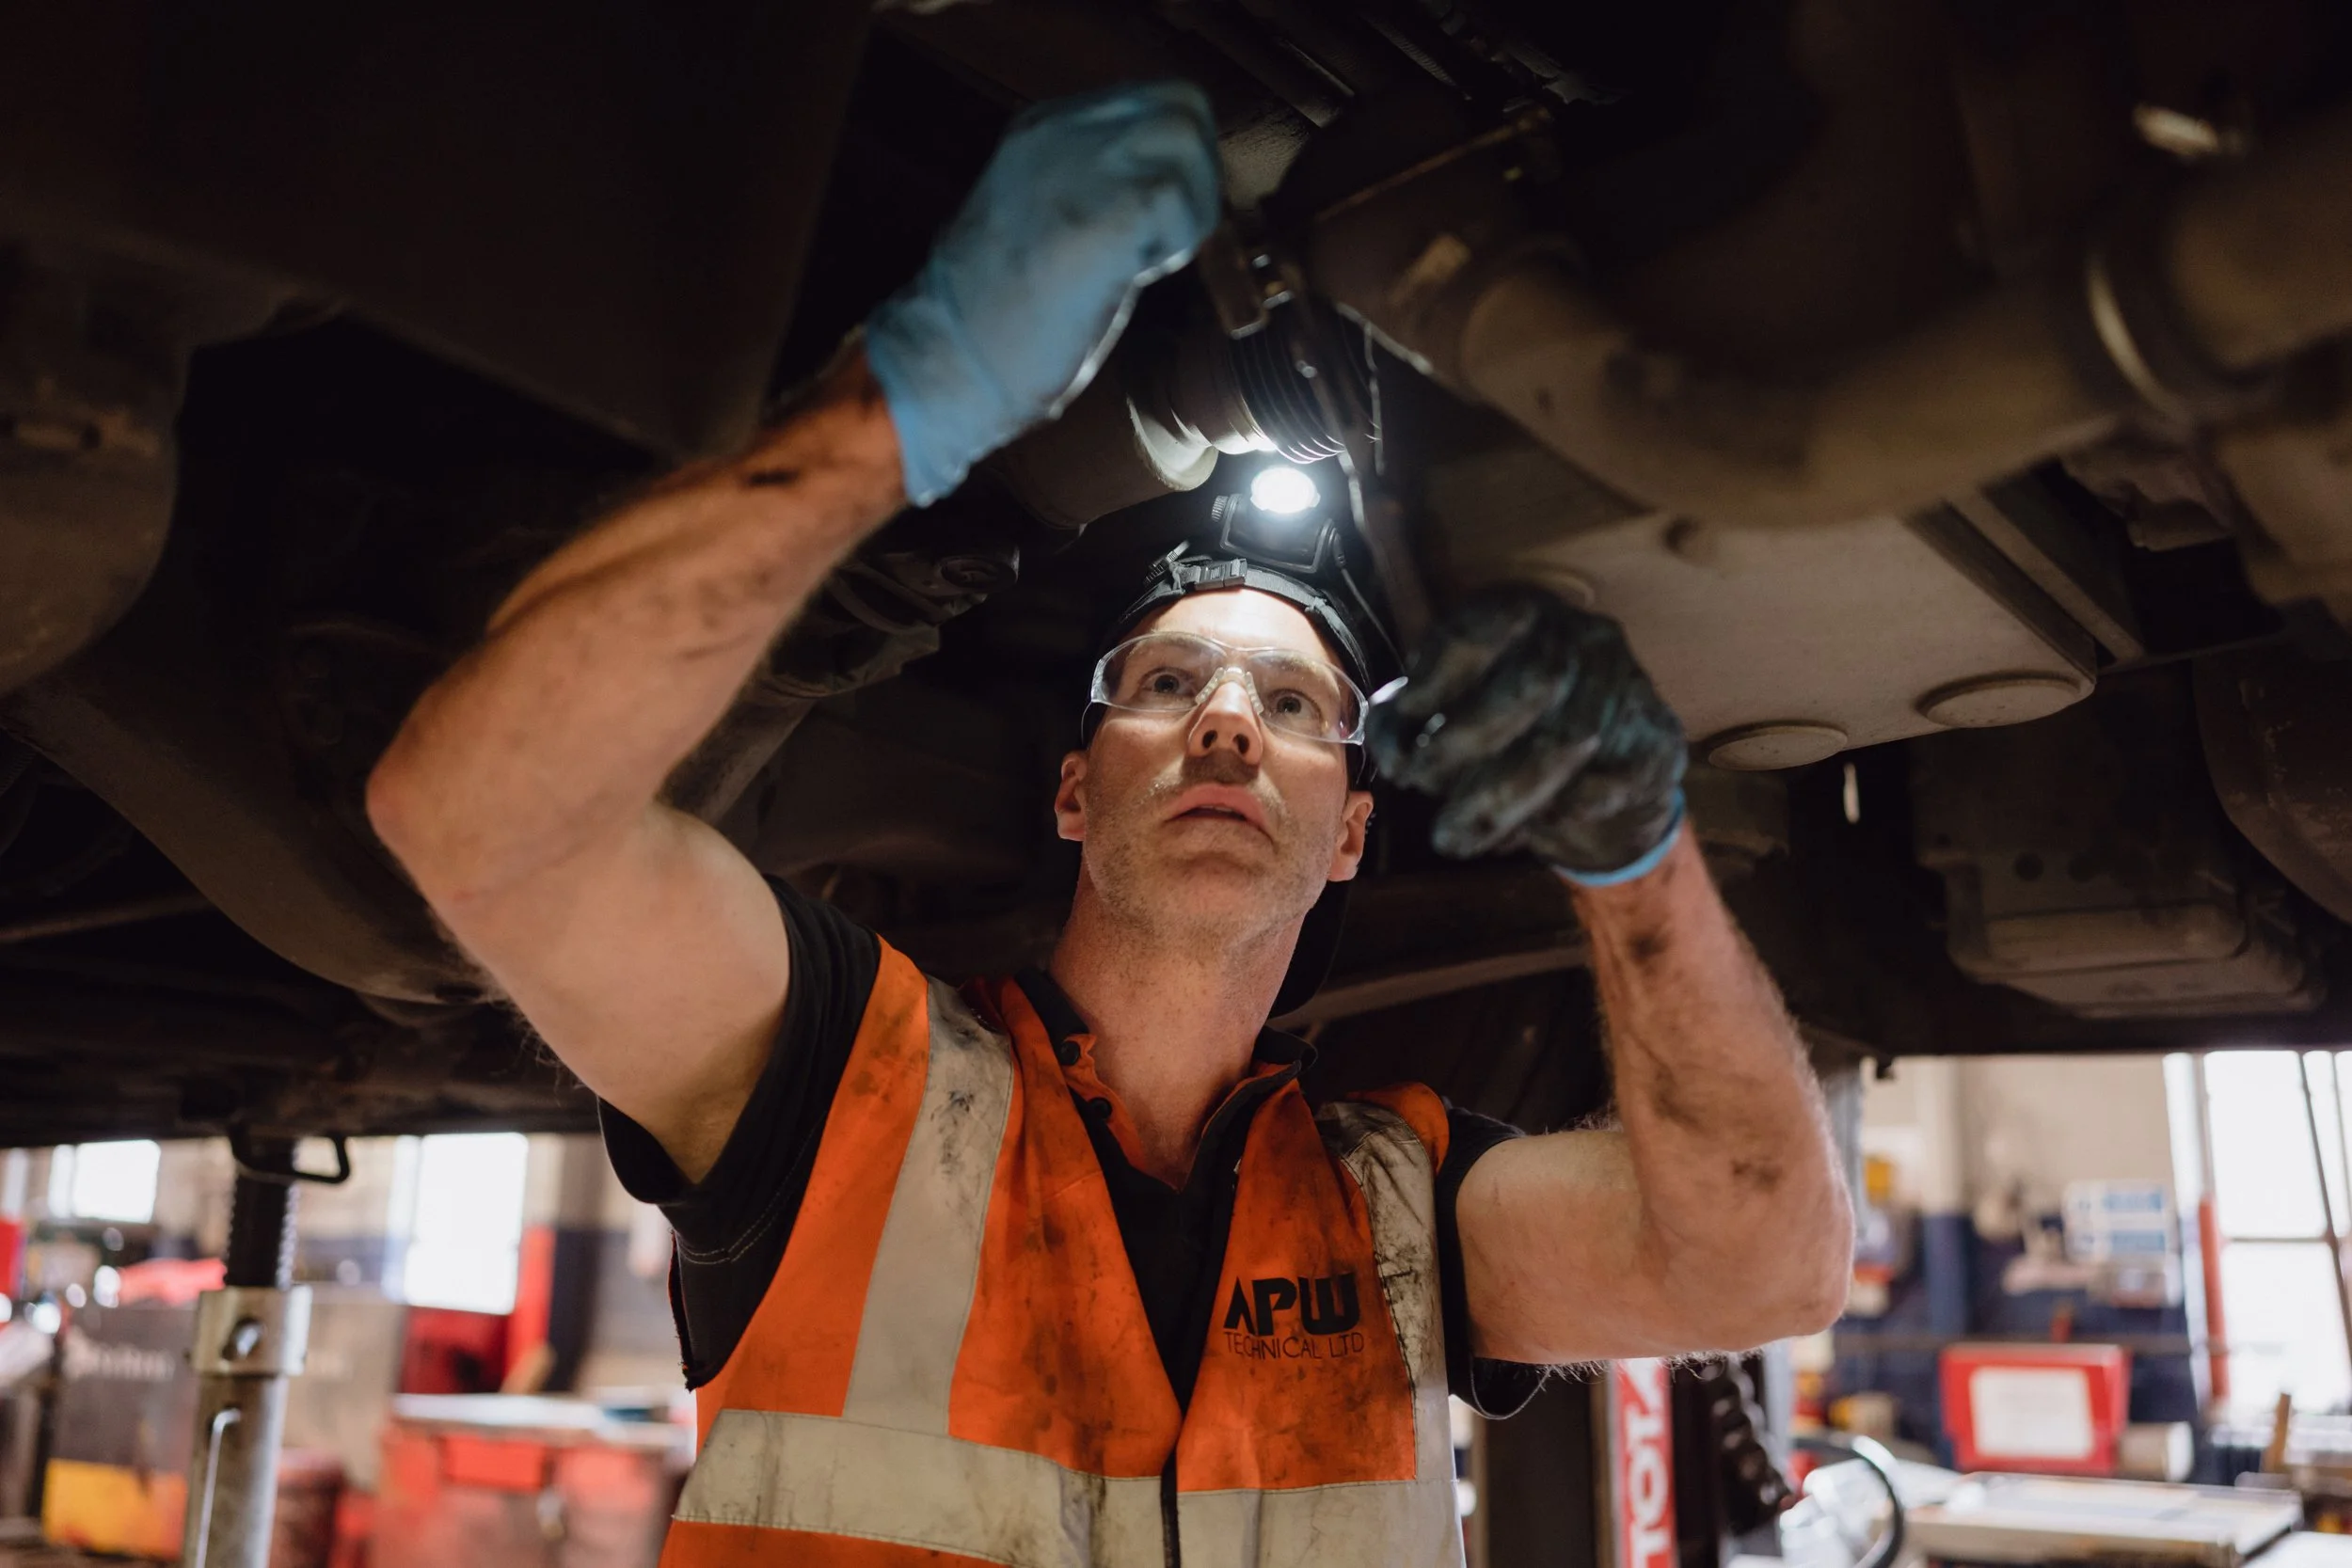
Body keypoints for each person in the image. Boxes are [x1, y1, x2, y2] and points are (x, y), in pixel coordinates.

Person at [367, 81, 1851, 1568]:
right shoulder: (843, 1084)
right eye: (1164, 683)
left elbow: (1767, 1259)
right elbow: (480, 816)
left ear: (1350, 831)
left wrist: (1637, 856)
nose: (1224, 718)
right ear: (1075, 791)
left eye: (1288, 702)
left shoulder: (1405, 1210)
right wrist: (900, 406)